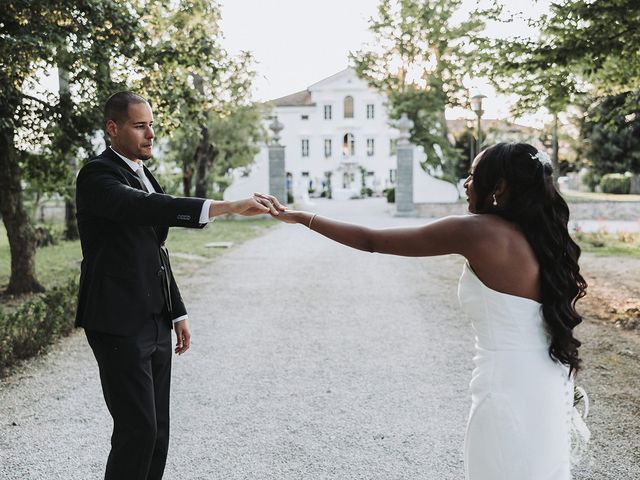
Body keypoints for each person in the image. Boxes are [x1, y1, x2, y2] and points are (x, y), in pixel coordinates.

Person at [266, 142, 588, 480]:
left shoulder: (475, 232)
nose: (466, 183)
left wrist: (303, 217)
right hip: (548, 379)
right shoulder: (548, 238)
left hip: (506, 385)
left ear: (500, 187)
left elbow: (372, 240)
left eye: (473, 175)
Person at [75, 91, 283, 480]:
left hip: (155, 317)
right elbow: (147, 207)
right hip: (117, 320)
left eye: (152, 125)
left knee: (158, 431)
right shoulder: (96, 175)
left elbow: (156, 249)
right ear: (113, 128)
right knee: (137, 430)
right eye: (140, 126)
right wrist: (226, 206)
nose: (150, 134)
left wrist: (177, 310)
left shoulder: (142, 172)